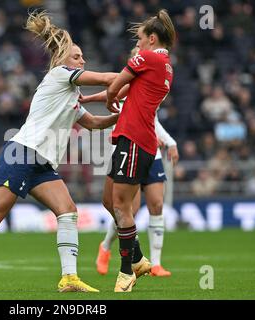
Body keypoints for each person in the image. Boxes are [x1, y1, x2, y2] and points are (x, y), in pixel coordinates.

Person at [0, 10, 120, 294]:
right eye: (77, 56)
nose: (82, 60)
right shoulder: (60, 75)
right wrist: (137, 76)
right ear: (64, 60)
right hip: (22, 153)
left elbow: (93, 124)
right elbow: (105, 78)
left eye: (82, 57)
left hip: (41, 163)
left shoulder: (69, 98)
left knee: (67, 211)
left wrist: (120, 115)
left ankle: (69, 278)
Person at [95, 9, 176, 292]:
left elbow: (116, 84)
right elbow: (122, 84)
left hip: (136, 140)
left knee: (121, 206)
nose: (138, 44)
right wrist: (103, 94)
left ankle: (127, 272)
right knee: (110, 201)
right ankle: (140, 258)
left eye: (141, 39)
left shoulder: (149, 57)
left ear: (152, 38)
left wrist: (109, 100)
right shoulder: (164, 66)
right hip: (130, 139)